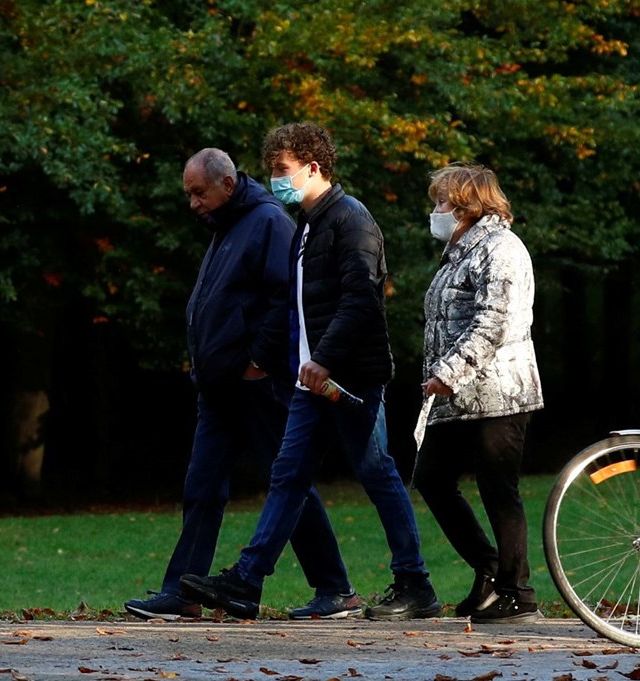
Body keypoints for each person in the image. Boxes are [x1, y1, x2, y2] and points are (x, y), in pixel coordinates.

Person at [180, 122, 440, 621]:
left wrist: (323, 358)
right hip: (310, 380)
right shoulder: (307, 224)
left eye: (282, 170)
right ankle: (246, 579)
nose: (276, 180)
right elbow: (298, 306)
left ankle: (415, 583)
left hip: (349, 378)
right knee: (287, 476)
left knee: (376, 472)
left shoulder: (351, 220)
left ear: (313, 167)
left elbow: (361, 298)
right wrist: (299, 362)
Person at [126, 148, 345, 620]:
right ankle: (182, 590)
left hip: (254, 385)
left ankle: (335, 588)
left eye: (198, 192)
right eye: (189, 194)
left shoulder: (266, 221)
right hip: (219, 385)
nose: (193, 203)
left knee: (288, 482)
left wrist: (257, 362)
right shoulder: (227, 224)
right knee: (201, 485)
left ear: (226, 184)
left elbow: (287, 297)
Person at [412, 163, 545, 623]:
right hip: (457, 397)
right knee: (430, 477)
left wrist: (449, 372)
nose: (437, 210)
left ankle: (517, 592)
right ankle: (488, 568)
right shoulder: (461, 251)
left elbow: (494, 322)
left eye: (442, 202)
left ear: (468, 205)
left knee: (497, 488)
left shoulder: (501, 249)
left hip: (500, 393)